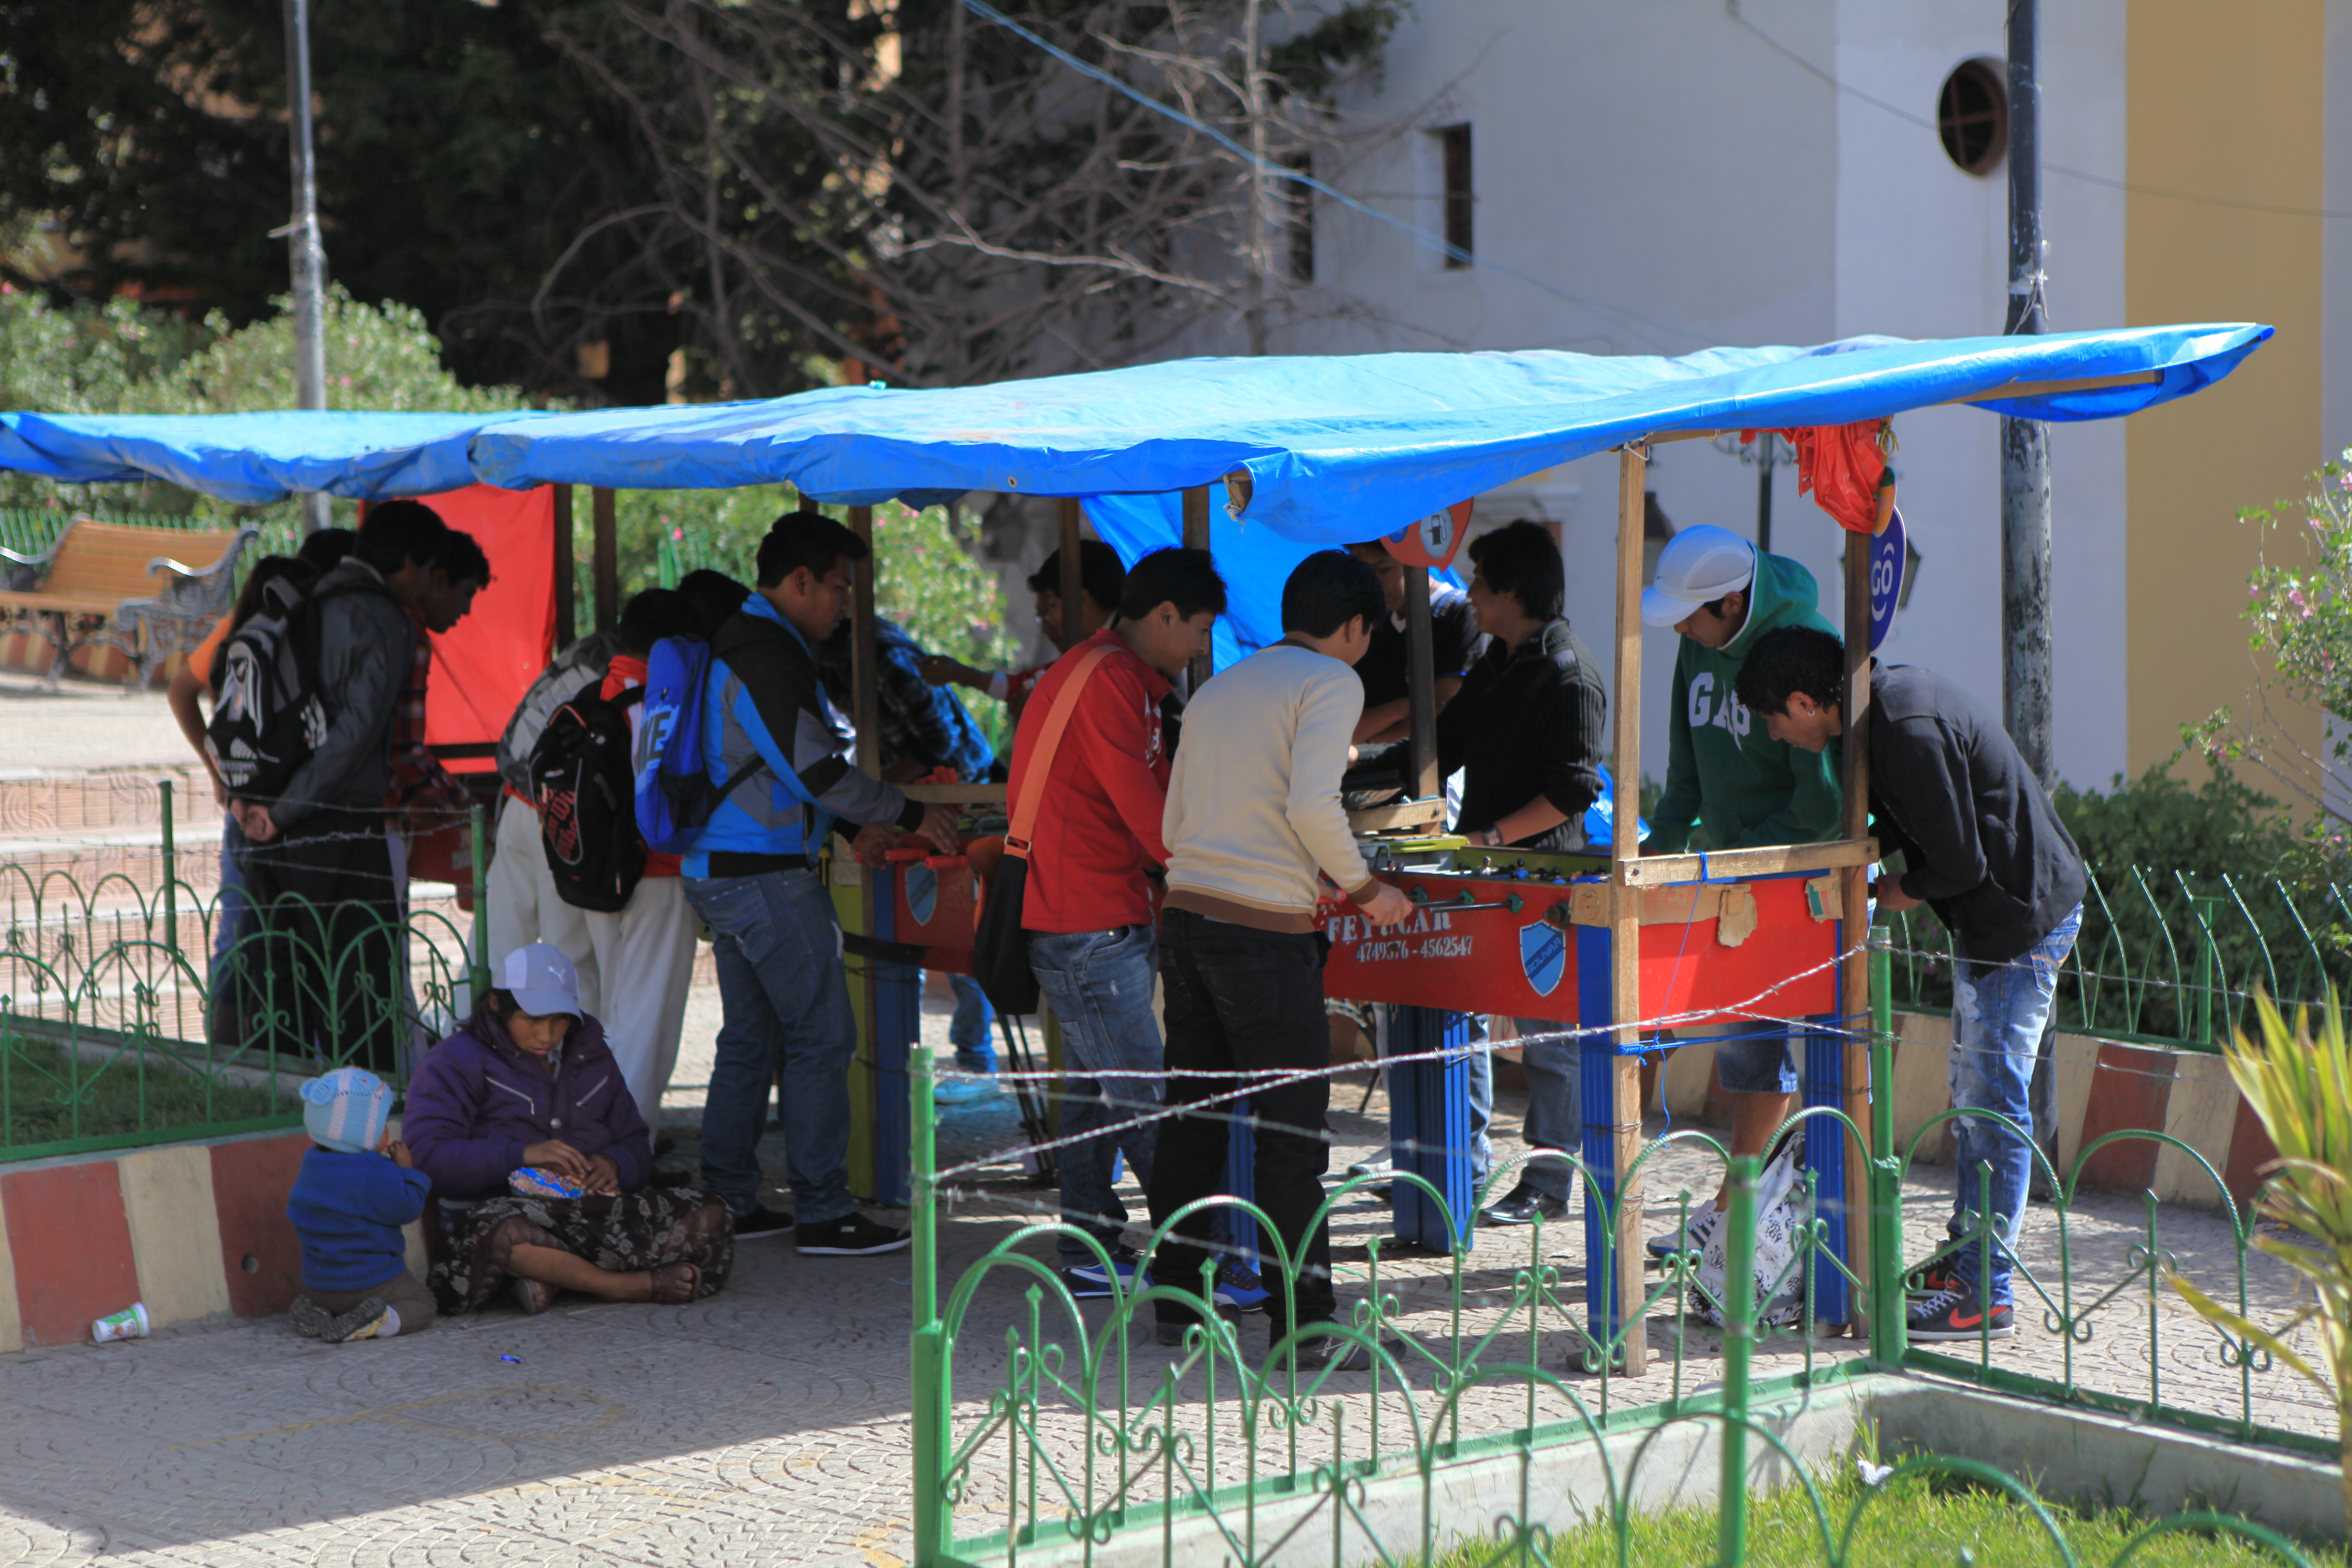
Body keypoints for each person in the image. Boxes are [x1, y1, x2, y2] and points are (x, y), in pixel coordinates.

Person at [1735, 625, 2086, 1343]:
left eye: (1774, 719)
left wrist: (1891, 890)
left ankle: (1985, 1292)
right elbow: (1904, 826)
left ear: (1804, 702)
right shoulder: (1874, 719)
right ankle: (1967, 1257)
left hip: (2020, 919)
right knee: (1975, 1094)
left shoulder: (1901, 726)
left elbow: (1958, 862)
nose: (1776, 734)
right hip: (1995, 920)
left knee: (1992, 1100)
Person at [1146, 550, 1415, 1371]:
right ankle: (1307, 1327)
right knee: (1291, 1136)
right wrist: (1366, 889)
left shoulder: (1220, 685)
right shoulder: (1332, 681)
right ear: (1355, 626)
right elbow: (1310, 804)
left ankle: (1177, 1306)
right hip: (1262, 935)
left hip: (1185, 918)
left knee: (1193, 1120)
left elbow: (1173, 822)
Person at [683, 509, 962, 1248]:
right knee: (823, 1036)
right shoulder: (766, 651)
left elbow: (777, 770)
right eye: (840, 587)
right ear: (801, 581)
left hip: (724, 866)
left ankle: (729, 1200)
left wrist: (846, 828)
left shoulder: (745, 640)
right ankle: (823, 1210)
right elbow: (815, 769)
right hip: (765, 878)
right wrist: (907, 812)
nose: (846, 604)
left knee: (751, 1039)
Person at [1010, 547, 1224, 1297]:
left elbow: (1162, 802)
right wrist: (1221, 875)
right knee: (1142, 1100)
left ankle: (1087, 1245)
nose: (1201, 648)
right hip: (1086, 923)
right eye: (1200, 630)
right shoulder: (1106, 679)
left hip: (1095, 915)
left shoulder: (1119, 675)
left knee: (1095, 1096)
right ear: (1164, 615)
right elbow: (1150, 814)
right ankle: (1200, 1261)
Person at [1637, 524, 1844, 1260]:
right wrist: (1661, 850)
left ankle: (1771, 1219)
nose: (1680, 629)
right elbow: (1685, 766)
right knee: (1746, 1048)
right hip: (1730, 880)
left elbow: (1824, 801)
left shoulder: (1806, 642)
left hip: (1803, 879)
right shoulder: (1698, 641)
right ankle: (1736, 1214)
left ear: (1731, 602)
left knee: (1824, 1056)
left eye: (1688, 616)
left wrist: (1748, 855)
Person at [231, 500, 462, 1072]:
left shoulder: (300, 601)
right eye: (427, 572)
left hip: (269, 824)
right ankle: (360, 1117)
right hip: (340, 829)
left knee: (284, 983)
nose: (425, 587)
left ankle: (275, 1105)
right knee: (359, 992)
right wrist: (286, 811)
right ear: (407, 562)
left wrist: (255, 801)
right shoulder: (384, 620)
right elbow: (354, 741)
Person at [404, 944, 733, 1313]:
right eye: (533, 1020)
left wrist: (614, 1163)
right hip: (502, 1213)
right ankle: (618, 1285)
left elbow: (636, 1142)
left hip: (590, 1215)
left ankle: (556, 1278)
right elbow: (426, 1156)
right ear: (497, 1005)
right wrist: (523, 1155)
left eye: (560, 1020)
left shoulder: (590, 1052)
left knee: (711, 1211)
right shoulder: (455, 1060)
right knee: (503, 1236)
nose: (547, 1035)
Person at [1435, 520, 1607, 1227]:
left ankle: (1549, 1180)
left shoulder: (1568, 672)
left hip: (1542, 880)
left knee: (1549, 1039)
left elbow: (1574, 790)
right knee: (1461, 1017)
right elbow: (1444, 745)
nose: (1469, 595)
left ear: (1511, 591)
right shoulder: (1494, 662)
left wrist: (1493, 836)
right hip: (1484, 874)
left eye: (1479, 582)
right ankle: (1453, 1164)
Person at [1337, 536, 1489, 1199]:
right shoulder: (1368, 625)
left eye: (1380, 568)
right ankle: (1408, 1145)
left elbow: (1446, 709)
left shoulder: (1453, 615)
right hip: (1378, 811)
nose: (1373, 582)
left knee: (1454, 984)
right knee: (1392, 979)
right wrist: (1404, 711)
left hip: (1441, 812)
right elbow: (1356, 724)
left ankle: (1467, 1154)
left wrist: (1394, 720)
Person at [168, 530, 355, 1045]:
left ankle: (230, 1045)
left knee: (240, 928)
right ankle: (279, 1044)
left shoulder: (239, 628)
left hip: (243, 803)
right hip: (292, 807)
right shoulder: (307, 629)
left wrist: (221, 777)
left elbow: (181, 690)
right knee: (293, 935)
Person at [821, 615, 999, 1097]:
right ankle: (903, 1062)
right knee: (903, 932)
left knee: (960, 931)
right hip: (906, 805)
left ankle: (977, 1063)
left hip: (958, 797)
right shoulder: (829, 669)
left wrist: (876, 793)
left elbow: (940, 743)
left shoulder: (890, 664)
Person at [588, 588, 713, 1123]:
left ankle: (602, 1138)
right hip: (657, 875)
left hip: (600, 876)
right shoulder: (661, 696)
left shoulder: (598, 692)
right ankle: (625, 1153)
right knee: (649, 1027)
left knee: (615, 1013)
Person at [285, 1066, 436, 1343]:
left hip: (320, 1284)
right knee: (423, 1303)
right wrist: (406, 1169)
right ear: (360, 1131)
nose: (387, 1128)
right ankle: (377, 1321)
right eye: (382, 1122)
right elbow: (409, 1208)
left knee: (331, 1299)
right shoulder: (375, 1169)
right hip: (372, 1281)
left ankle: (317, 1310)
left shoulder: (312, 1163)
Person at [921, 541, 1127, 720]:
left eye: (1052, 606)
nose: (1048, 624)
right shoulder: (1096, 654)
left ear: (1081, 599)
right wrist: (965, 675)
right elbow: (1027, 683)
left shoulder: (1117, 660)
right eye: (1043, 615)